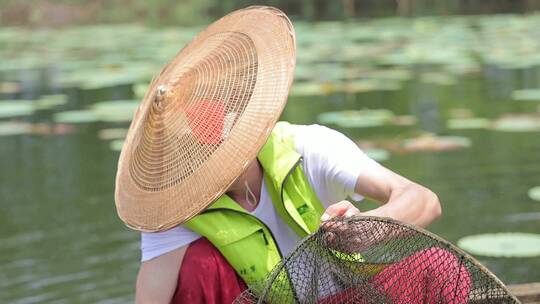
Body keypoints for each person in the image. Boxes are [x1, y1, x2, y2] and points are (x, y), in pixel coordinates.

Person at [114, 6, 442, 304]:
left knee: (434, 266)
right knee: (198, 265)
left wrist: (365, 230)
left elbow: (424, 200)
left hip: (350, 296)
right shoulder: (175, 204)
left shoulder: (309, 146)